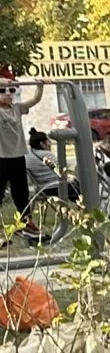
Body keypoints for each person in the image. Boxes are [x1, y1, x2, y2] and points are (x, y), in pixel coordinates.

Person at [0, 79, 28, 242]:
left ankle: (26, 221)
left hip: (17, 154)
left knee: (21, 192)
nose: (8, 94)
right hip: (1, 155)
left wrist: (39, 85)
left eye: (11, 90)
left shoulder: (16, 108)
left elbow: (34, 100)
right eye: (2, 91)